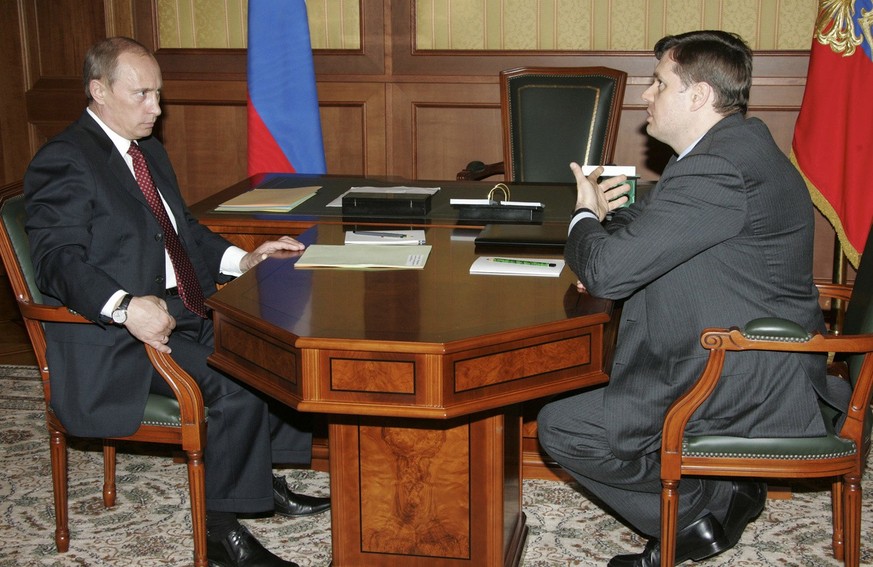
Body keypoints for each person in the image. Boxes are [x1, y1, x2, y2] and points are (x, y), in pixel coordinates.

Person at [537, 30, 851, 566]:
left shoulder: (720, 166)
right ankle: (724, 493)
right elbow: (673, 215)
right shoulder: (733, 147)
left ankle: (698, 515)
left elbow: (609, 275)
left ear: (699, 95)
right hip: (753, 356)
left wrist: (585, 217)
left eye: (659, 83)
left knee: (564, 427)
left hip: (740, 374)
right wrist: (617, 218)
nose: (645, 95)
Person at [24, 37, 330, 567]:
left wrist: (243, 261)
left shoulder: (146, 152)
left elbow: (181, 230)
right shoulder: (64, 159)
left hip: (178, 308)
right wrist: (124, 306)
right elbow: (56, 260)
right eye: (142, 94)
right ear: (98, 91)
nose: (156, 108)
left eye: (158, 94)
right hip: (114, 335)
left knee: (276, 350)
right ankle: (220, 531)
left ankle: (258, 482)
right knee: (235, 384)